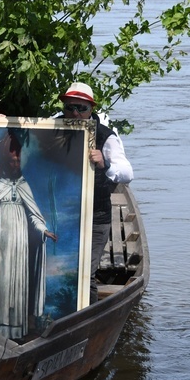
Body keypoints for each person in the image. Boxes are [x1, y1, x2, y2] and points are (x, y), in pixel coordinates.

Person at [0, 131, 58, 340]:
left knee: (17, 282)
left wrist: (43, 231)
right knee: (0, 280)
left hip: (19, 244)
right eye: (12, 160)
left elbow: (34, 215)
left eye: (18, 160)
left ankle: (16, 332)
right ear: (5, 161)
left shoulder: (24, 185)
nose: (15, 164)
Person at [58, 82, 133, 304]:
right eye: (70, 107)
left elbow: (127, 172)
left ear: (91, 109)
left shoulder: (104, 136)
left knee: (85, 275)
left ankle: (86, 322)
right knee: (59, 271)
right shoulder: (50, 128)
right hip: (62, 216)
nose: (75, 113)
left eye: (82, 108)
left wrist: (105, 164)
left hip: (95, 216)